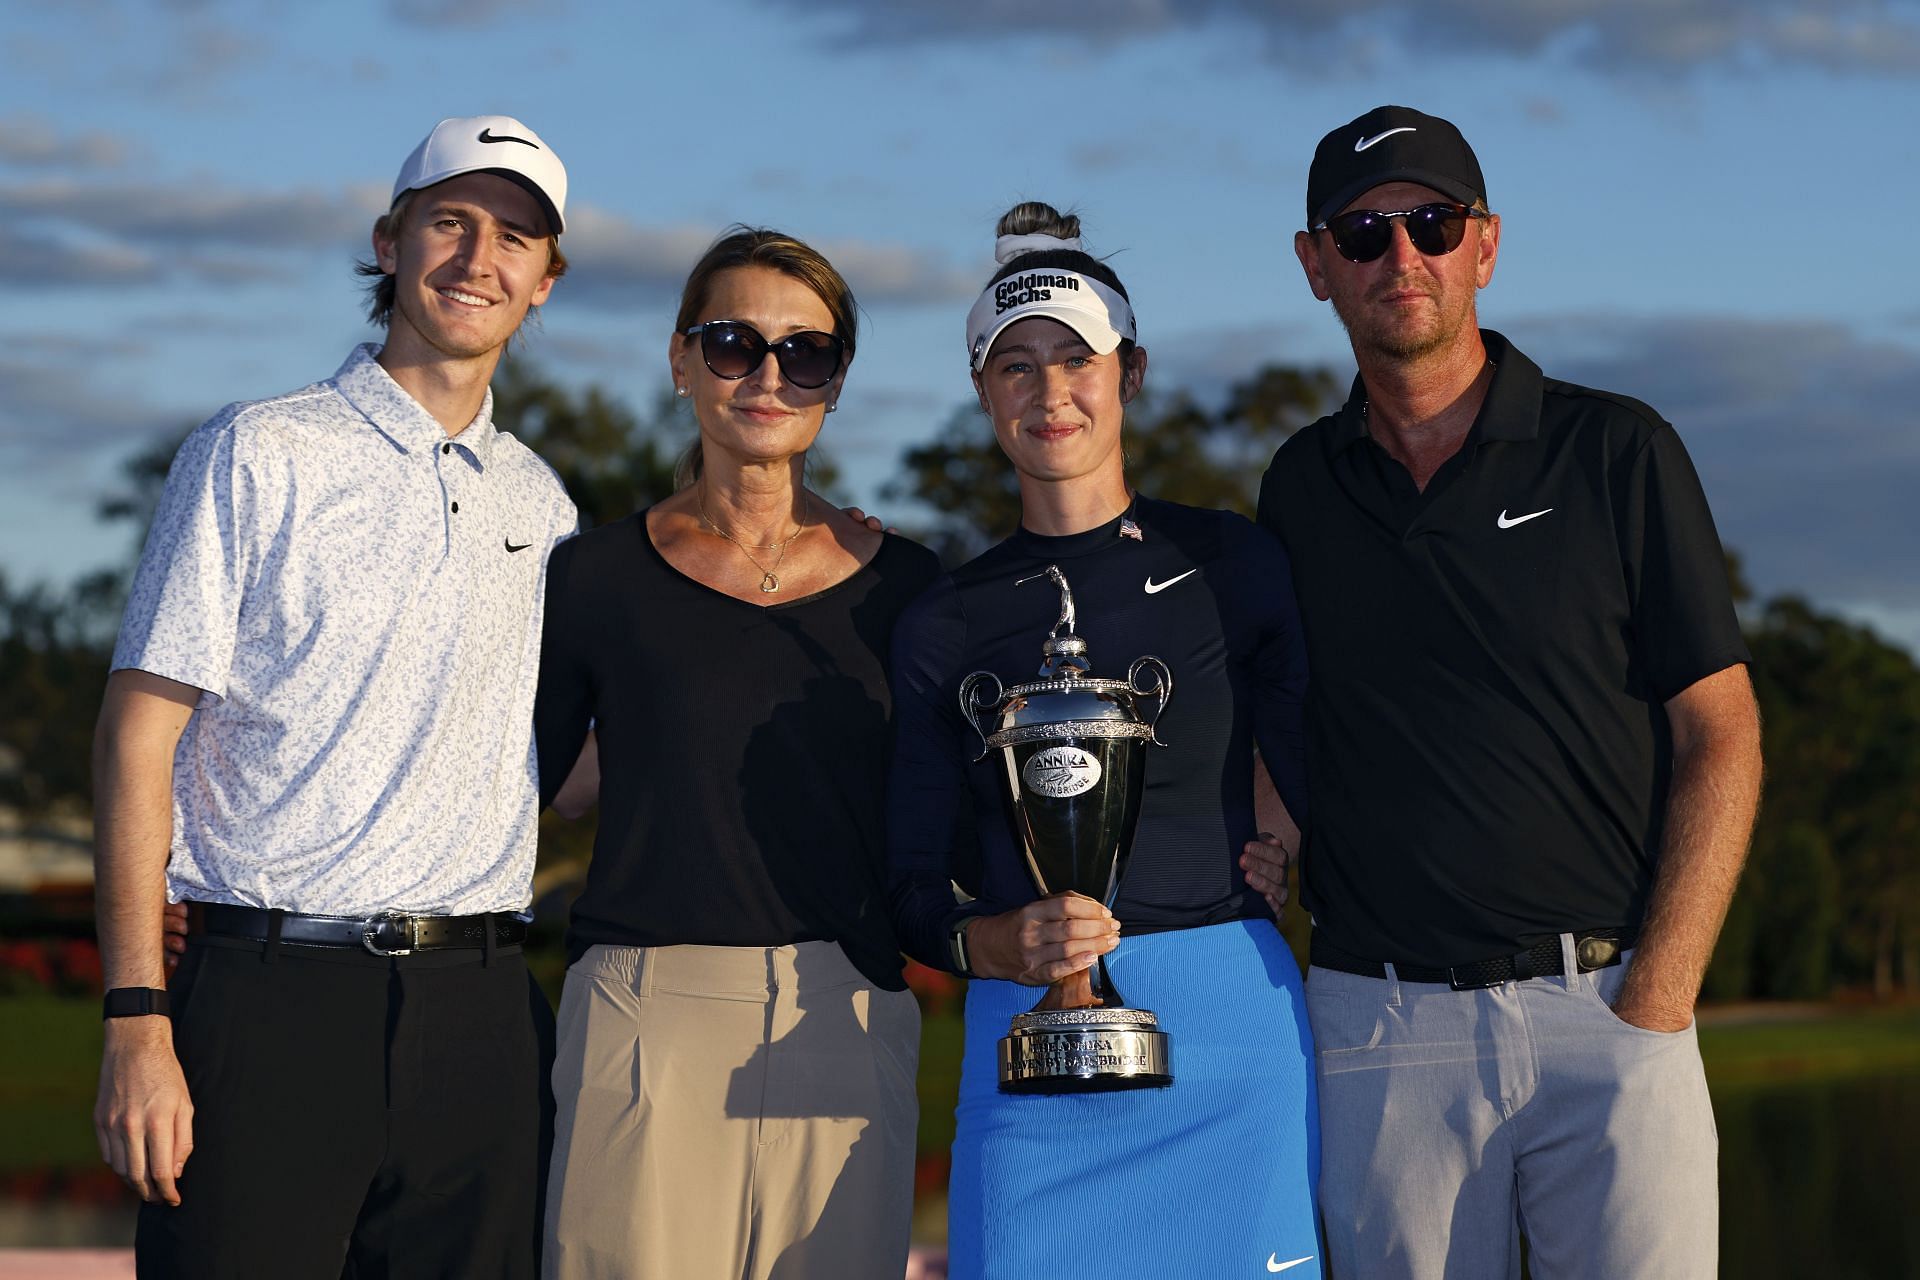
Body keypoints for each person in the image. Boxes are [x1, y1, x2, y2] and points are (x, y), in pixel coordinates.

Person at [1249, 105, 1764, 1278]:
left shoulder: (1617, 452)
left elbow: (1721, 730)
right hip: (1378, 1027)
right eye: (1364, 232)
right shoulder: (1299, 487)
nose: (1402, 256)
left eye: (1432, 222)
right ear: (1316, 263)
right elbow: (1291, 727)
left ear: (1484, 245)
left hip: (1614, 1009)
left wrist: (1662, 992)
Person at [92, 115, 577, 1277]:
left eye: (514, 236)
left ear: (546, 284)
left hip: (482, 1012)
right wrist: (133, 1016)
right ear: (389, 239)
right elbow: (135, 735)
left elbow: (570, 763)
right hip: (271, 1003)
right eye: (449, 221)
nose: (478, 258)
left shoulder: (548, 505)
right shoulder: (257, 451)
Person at [887, 203, 1323, 1278]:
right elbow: (903, 878)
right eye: (1014, 366)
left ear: (1129, 372)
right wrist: (994, 945)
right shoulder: (944, 618)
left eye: (1075, 359)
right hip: (1027, 1047)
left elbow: (1317, 744)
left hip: (1230, 1032)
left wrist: (1287, 835)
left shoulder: (1233, 561)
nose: (1048, 393)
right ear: (983, 390)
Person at [532, 226, 942, 1279]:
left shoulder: (910, 589)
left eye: (805, 352)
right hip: (644, 1014)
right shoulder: (590, 578)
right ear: (680, 361)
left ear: (836, 383)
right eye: (732, 343)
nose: (768, 374)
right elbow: (550, 786)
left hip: (845, 1011)